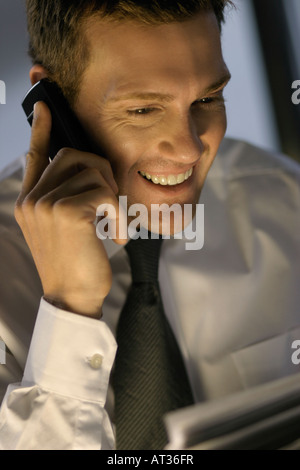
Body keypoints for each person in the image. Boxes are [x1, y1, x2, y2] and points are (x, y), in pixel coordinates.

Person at [0, 0, 300, 450]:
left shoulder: (287, 202)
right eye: (143, 110)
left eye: (207, 99)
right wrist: (70, 308)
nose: (189, 150)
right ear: (50, 101)